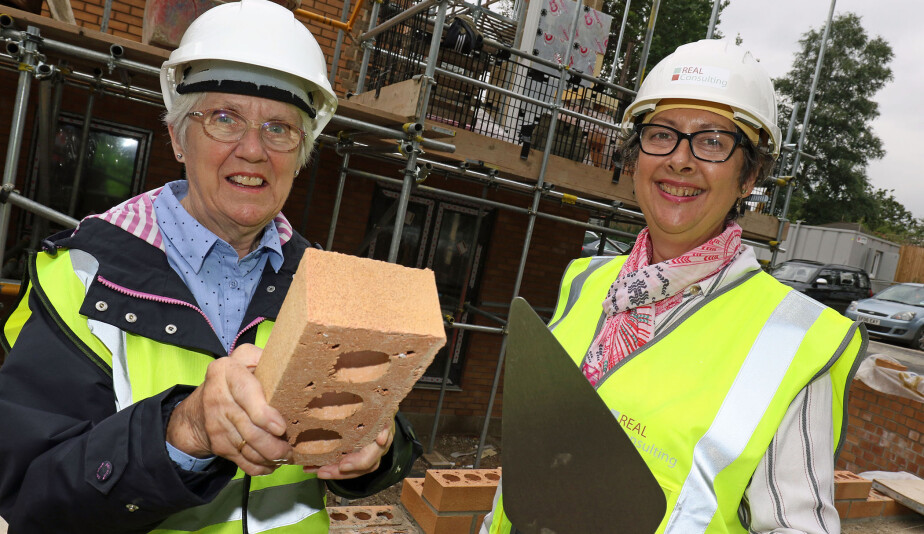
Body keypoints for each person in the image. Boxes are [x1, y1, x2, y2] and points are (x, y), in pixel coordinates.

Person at [0, 1, 420, 532]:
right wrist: (182, 430)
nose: (253, 150)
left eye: (280, 128)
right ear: (178, 137)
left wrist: (375, 450)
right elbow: (32, 494)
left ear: (302, 154)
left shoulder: (321, 283)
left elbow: (383, 431)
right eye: (224, 118)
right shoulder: (82, 277)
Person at [484, 39, 865, 533]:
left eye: (711, 141)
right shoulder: (587, 281)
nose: (680, 160)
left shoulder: (793, 338)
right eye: (662, 134)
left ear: (748, 176)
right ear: (636, 155)